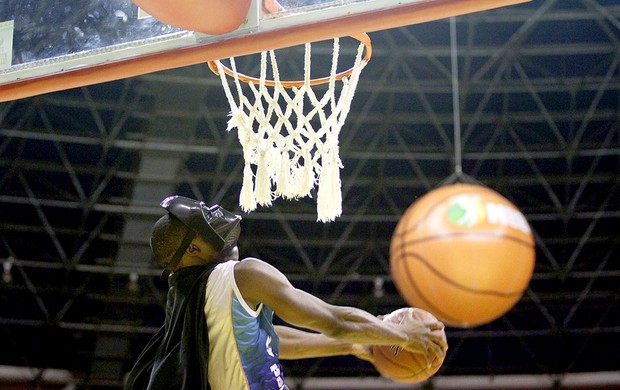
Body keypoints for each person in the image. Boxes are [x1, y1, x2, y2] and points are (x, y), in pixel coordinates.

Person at [124, 195, 448, 390]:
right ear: (194, 248)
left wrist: (350, 345)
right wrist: (404, 335)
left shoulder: (187, 298)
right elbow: (333, 319)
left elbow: (268, 341)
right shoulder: (243, 274)